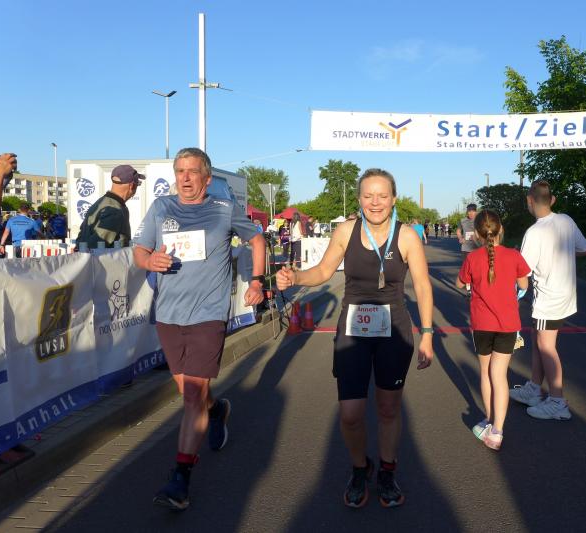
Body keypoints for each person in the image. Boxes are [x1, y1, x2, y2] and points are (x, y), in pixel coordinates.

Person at [276, 168, 433, 509]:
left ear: (393, 199)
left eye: (382, 196)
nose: (375, 202)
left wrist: (428, 333)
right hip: (353, 329)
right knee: (350, 413)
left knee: (388, 408)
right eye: (368, 195)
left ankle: (387, 472)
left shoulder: (407, 236)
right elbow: (323, 270)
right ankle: (360, 468)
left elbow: (422, 285)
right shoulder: (346, 231)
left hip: (394, 331)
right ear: (360, 199)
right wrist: (296, 277)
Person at [132, 147, 266, 511]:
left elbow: (256, 239)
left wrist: (256, 281)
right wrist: (150, 260)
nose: (185, 178)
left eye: (192, 171)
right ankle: (217, 409)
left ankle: (180, 478)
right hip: (169, 314)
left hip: (209, 313)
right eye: (180, 171)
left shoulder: (224, 209)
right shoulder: (161, 207)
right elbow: (139, 250)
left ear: (206, 178)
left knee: (191, 396)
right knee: (190, 392)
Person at [510, 180, 586, 420]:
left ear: (529, 201)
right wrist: (561, 253)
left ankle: (557, 401)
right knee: (537, 339)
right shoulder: (566, 220)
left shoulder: (534, 232)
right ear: (552, 200)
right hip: (565, 295)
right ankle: (535, 388)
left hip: (549, 298)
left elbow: (523, 270)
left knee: (546, 346)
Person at [456, 210, 529, 450]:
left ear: (477, 234)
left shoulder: (472, 258)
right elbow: (524, 284)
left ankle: (488, 420)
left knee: (486, 373)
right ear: (501, 230)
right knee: (500, 376)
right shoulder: (514, 255)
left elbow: (460, 283)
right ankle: (498, 430)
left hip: (482, 324)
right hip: (507, 324)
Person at [75, 165, 143, 250]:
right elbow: (97, 245)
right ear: (132, 186)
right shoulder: (115, 211)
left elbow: (82, 237)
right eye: (138, 184)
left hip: (84, 256)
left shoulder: (101, 202)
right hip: (101, 258)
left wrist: (78, 251)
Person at [456, 204, 480, 296]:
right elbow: (458, 231)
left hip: (477, 248)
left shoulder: (479, 220)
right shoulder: (462, 221)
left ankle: (477, 287)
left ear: (476, 211)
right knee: (467, 269)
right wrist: (460, 238)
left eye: (472, 211)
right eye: (469, 211)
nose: (470, 213)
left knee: (477, 269)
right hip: (466, 248)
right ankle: (469, 290)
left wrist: (477, 237)